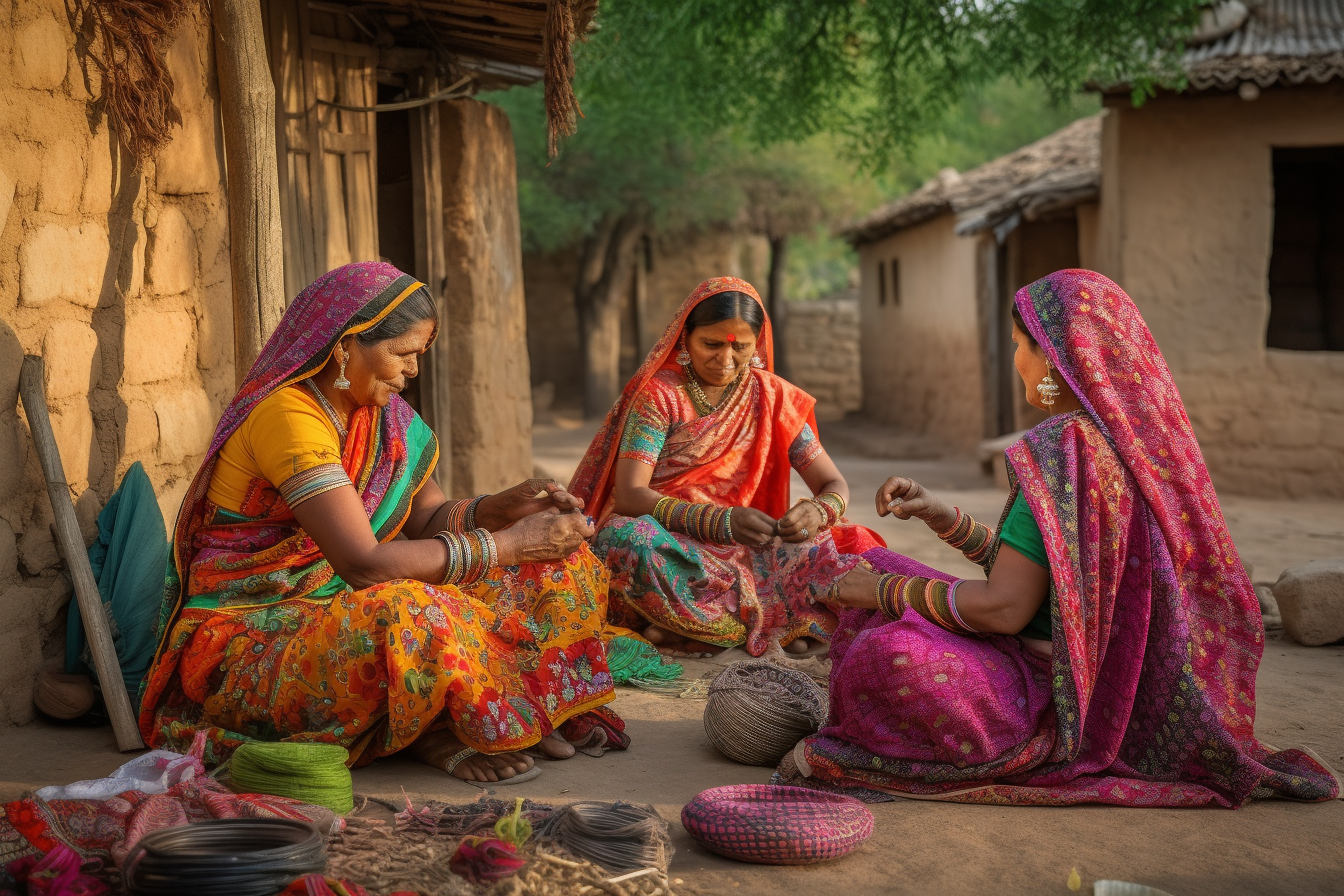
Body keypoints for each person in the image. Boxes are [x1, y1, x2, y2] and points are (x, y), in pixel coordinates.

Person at [780, 269, 1339, 806]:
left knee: (887, 648)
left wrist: (878, 594)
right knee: (878, 565)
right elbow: (1056, 578)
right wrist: (940, 515)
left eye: (1022, 346)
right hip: (1110, 685)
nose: (1017, 361)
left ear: (1052, 359)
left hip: (1052, 692)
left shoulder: (1062, 449)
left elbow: (1004, 609)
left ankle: (961, 741)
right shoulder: (1141, 448)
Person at [139, 262, 660, 784]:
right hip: (248, 636)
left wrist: (505, 509)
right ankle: (438, 728)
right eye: (403, 354)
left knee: (557, 568)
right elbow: (364, 564)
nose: (413, 371)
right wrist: (506, 545)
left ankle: (515, 710)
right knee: (412, 611)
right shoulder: (289, 417)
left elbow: (429, 518)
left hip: (338, 606)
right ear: (345, 346)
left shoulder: (384, 416)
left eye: (419, 356)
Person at [570, 277, 882, 659]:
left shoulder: (773, 396)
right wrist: (719, 522)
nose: (725, 361)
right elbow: (632, 494)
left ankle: (694, 630)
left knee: (852, 544)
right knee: (625, 540)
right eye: (711, 344)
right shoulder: (660, 396)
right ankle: (772, 626)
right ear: (685, 339)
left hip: (747, 546)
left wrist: (817, 511)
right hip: (672, 540)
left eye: (740, 348)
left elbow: (833, 483)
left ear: (757, 345)